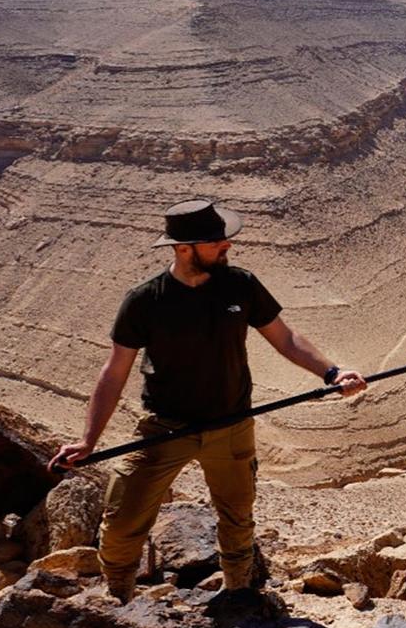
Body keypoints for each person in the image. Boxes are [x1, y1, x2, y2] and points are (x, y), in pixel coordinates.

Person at [48, 199, 366, 603]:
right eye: (216, 242)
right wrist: (88, 441)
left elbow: (285, 338)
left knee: (237, 524)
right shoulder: (145, 300)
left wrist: (332, 373)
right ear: (184, 248)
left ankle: (239, 601)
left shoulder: (241, 285)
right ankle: (118, 602)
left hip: (231, 426)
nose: (227, 247)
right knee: (123, 520)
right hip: (164, 427)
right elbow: (114, 372)